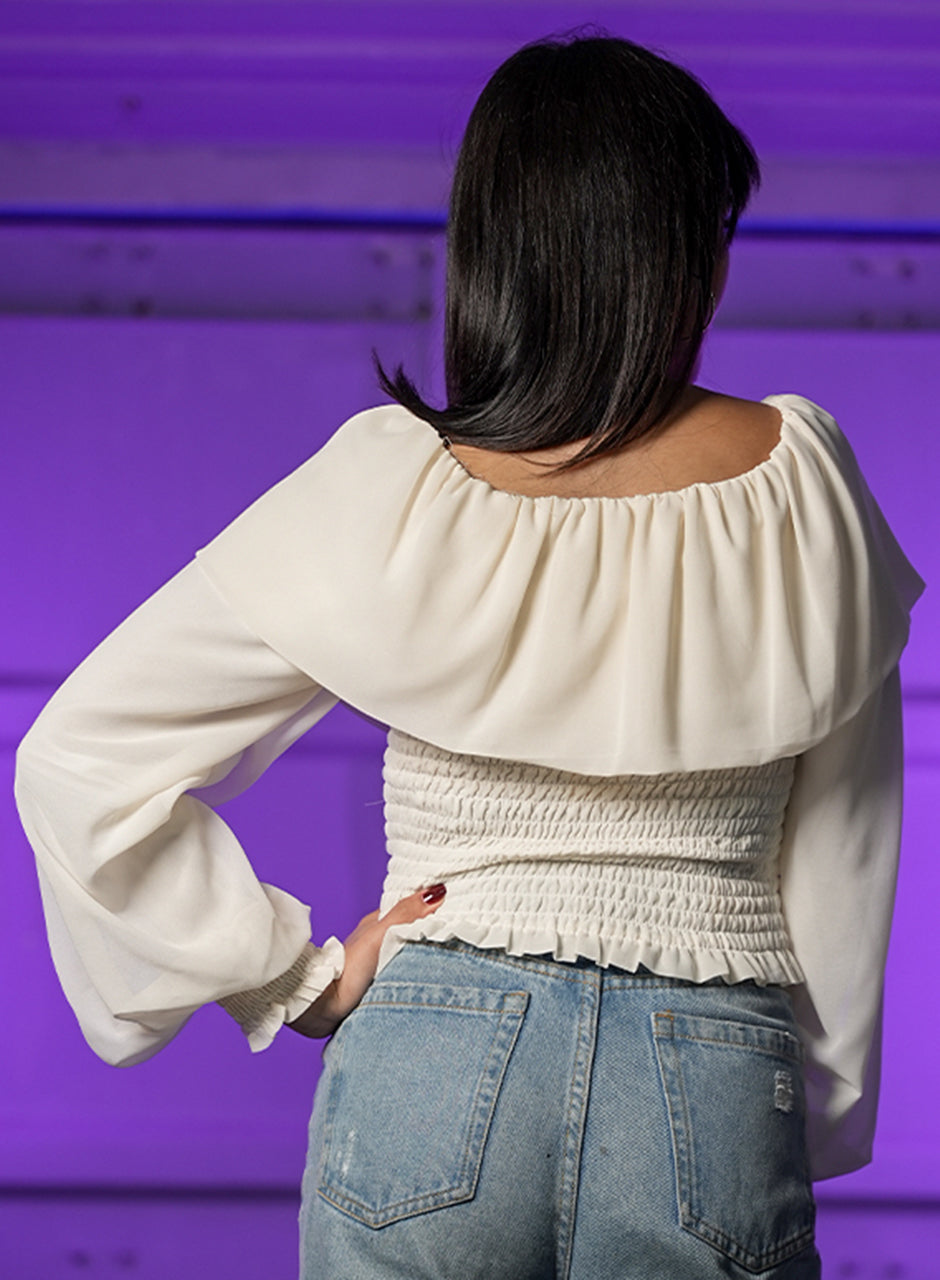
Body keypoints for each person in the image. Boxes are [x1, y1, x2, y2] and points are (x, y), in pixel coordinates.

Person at [14, 33, 923, 1280]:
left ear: (493, 244)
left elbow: (83, 753)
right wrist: (801, 1108)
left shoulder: (391, 487)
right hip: (712, 1071)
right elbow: (845, 831)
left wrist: (296, 978)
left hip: (432, 1049)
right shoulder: (797, 477)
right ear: (679, 256)